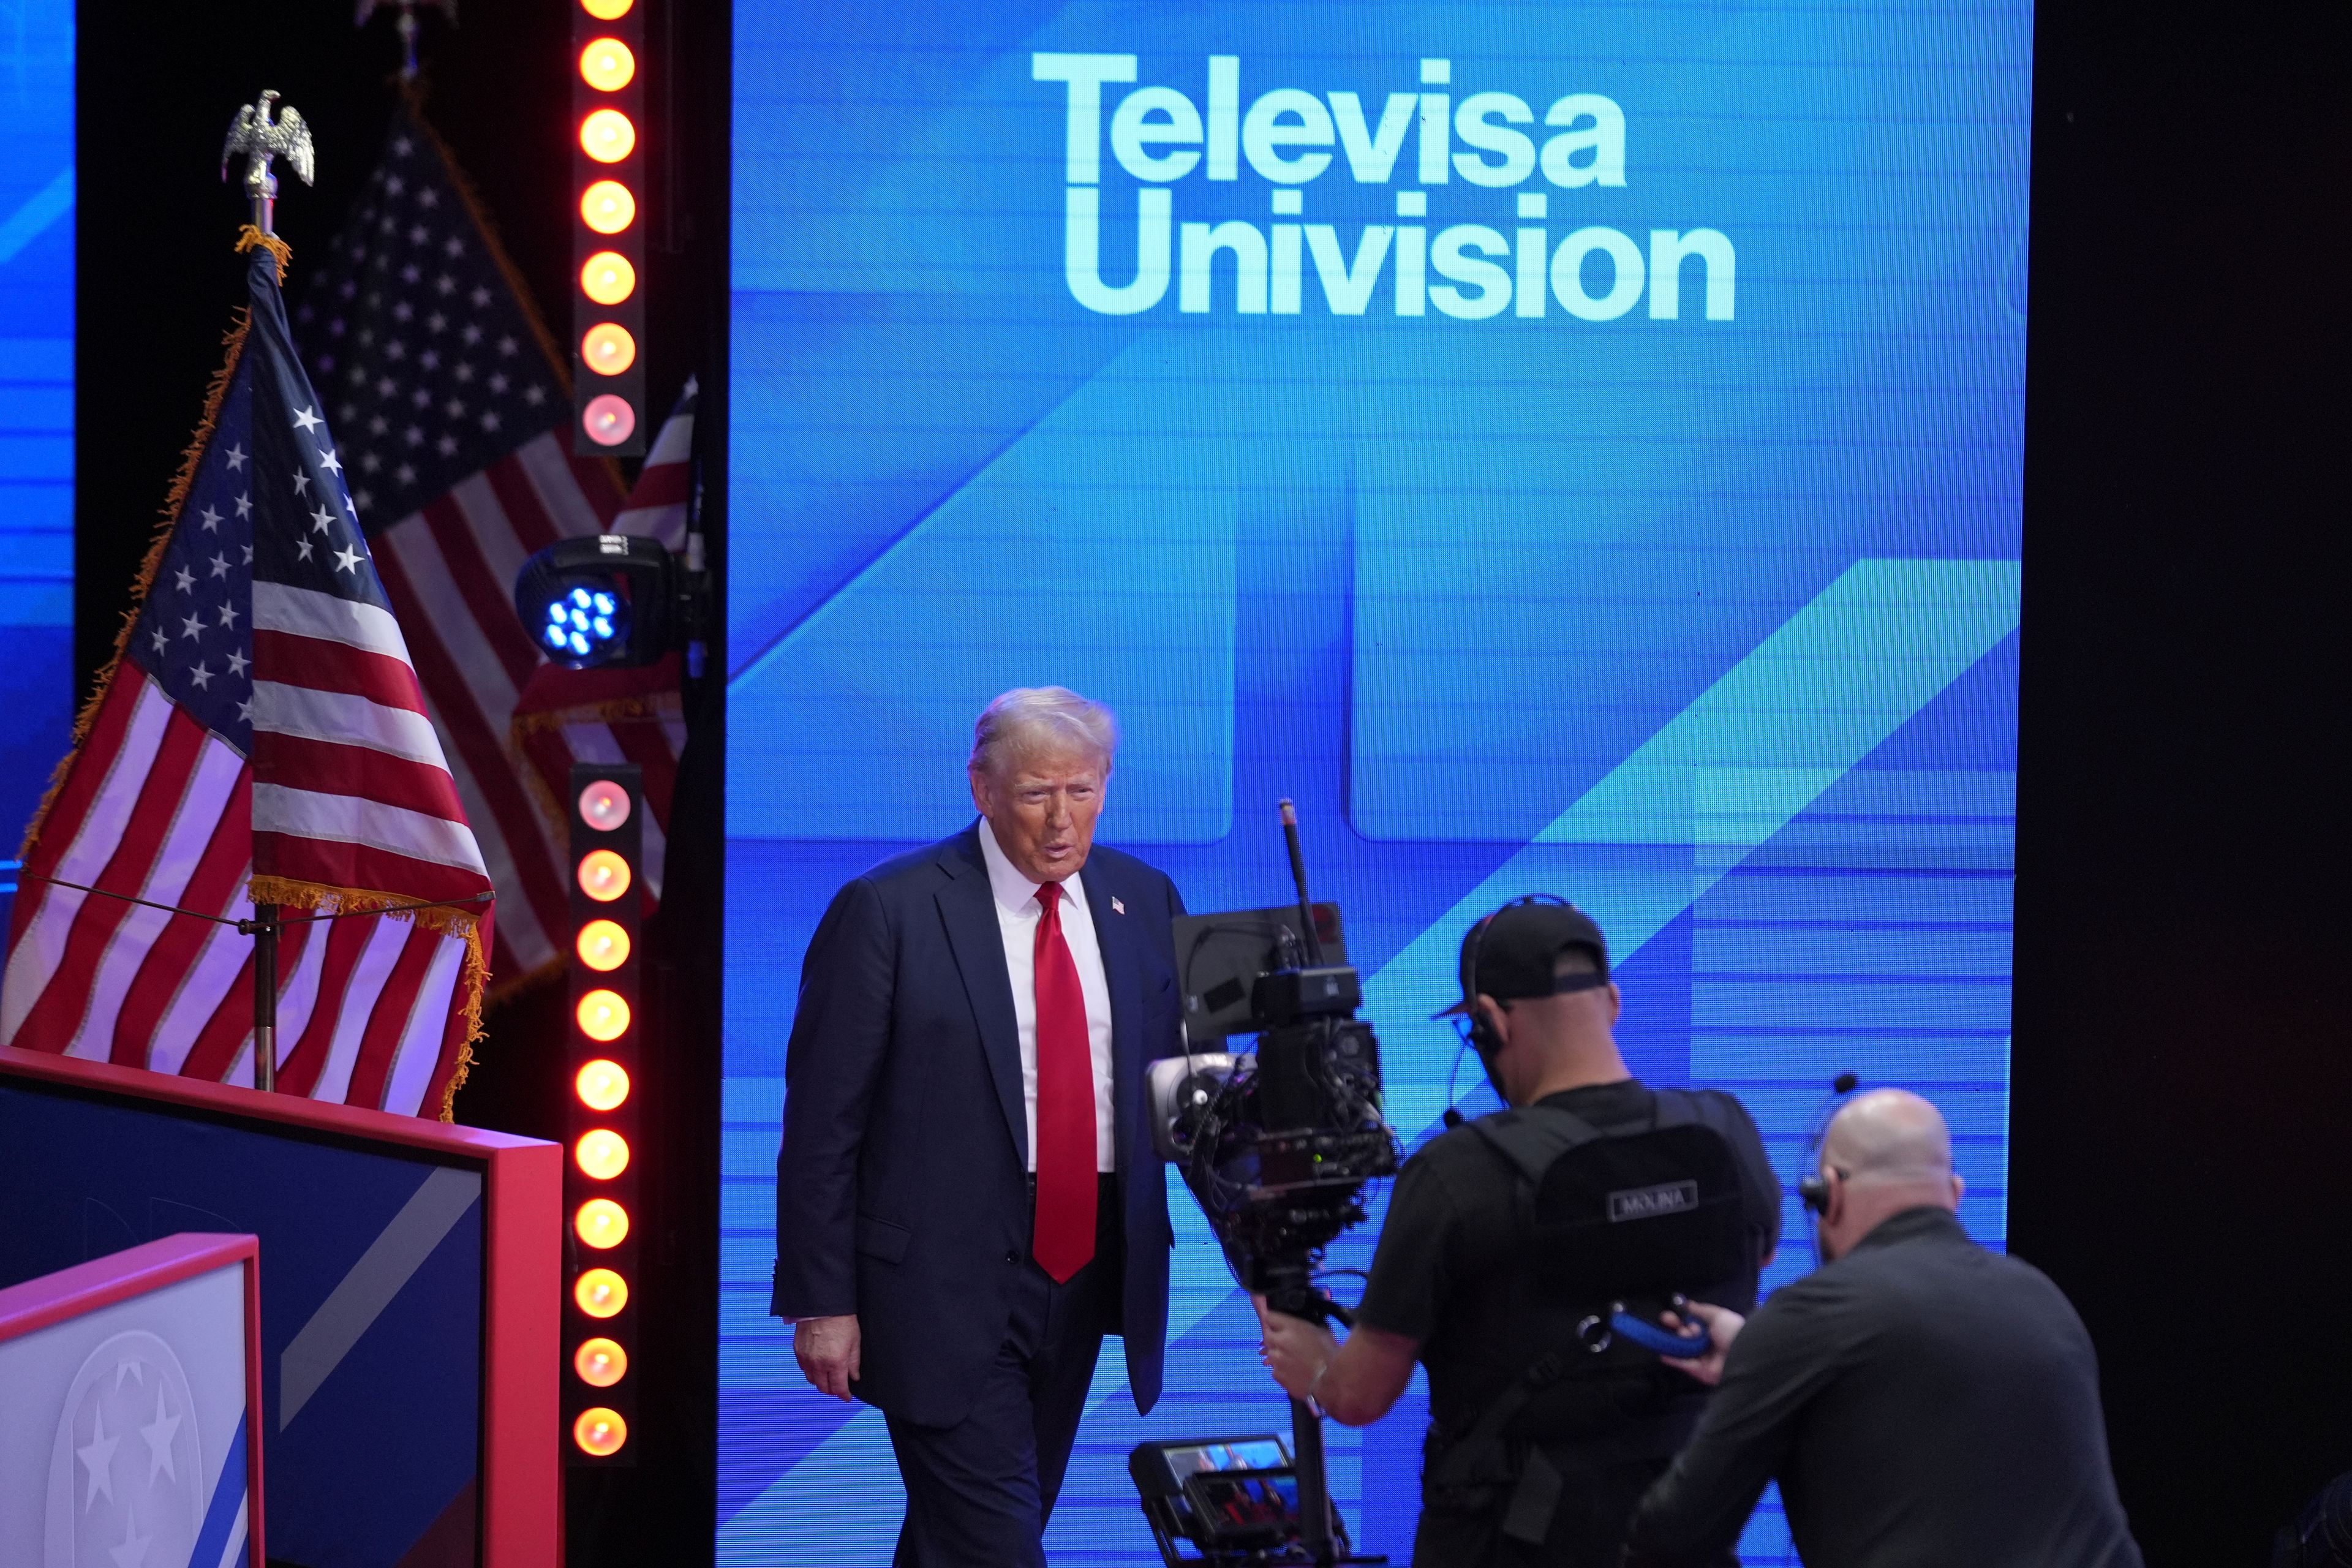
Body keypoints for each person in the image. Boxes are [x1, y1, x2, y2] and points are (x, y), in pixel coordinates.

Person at [771, 687, 1189, 1567]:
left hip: (1085, 1275)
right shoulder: (889, 909)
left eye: (1082, 789)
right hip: (935, 1290)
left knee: (971, 1539)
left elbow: (1183, 1092)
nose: (1062, 820)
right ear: (983, 789)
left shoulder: (1144, 900)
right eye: (1038, 793)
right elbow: (821, 1123)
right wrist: (822, 1301)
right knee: (995, 1547)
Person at [1256, 897, 1781, 1566]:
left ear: (1492, 1023)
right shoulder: (1725, 1128)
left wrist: (1317, 1366)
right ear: (1613, 1002)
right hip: (1685, 1537)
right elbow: (1752, 1263)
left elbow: (1361, 1395)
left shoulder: (1456, 1172)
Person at [1622, 1088, 2146, 1568]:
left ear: (1830, 1193)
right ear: (1955, 1194)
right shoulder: (2044, 1300)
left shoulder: (1812, 1314)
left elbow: (1676, 1535)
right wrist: (1753, 1355)